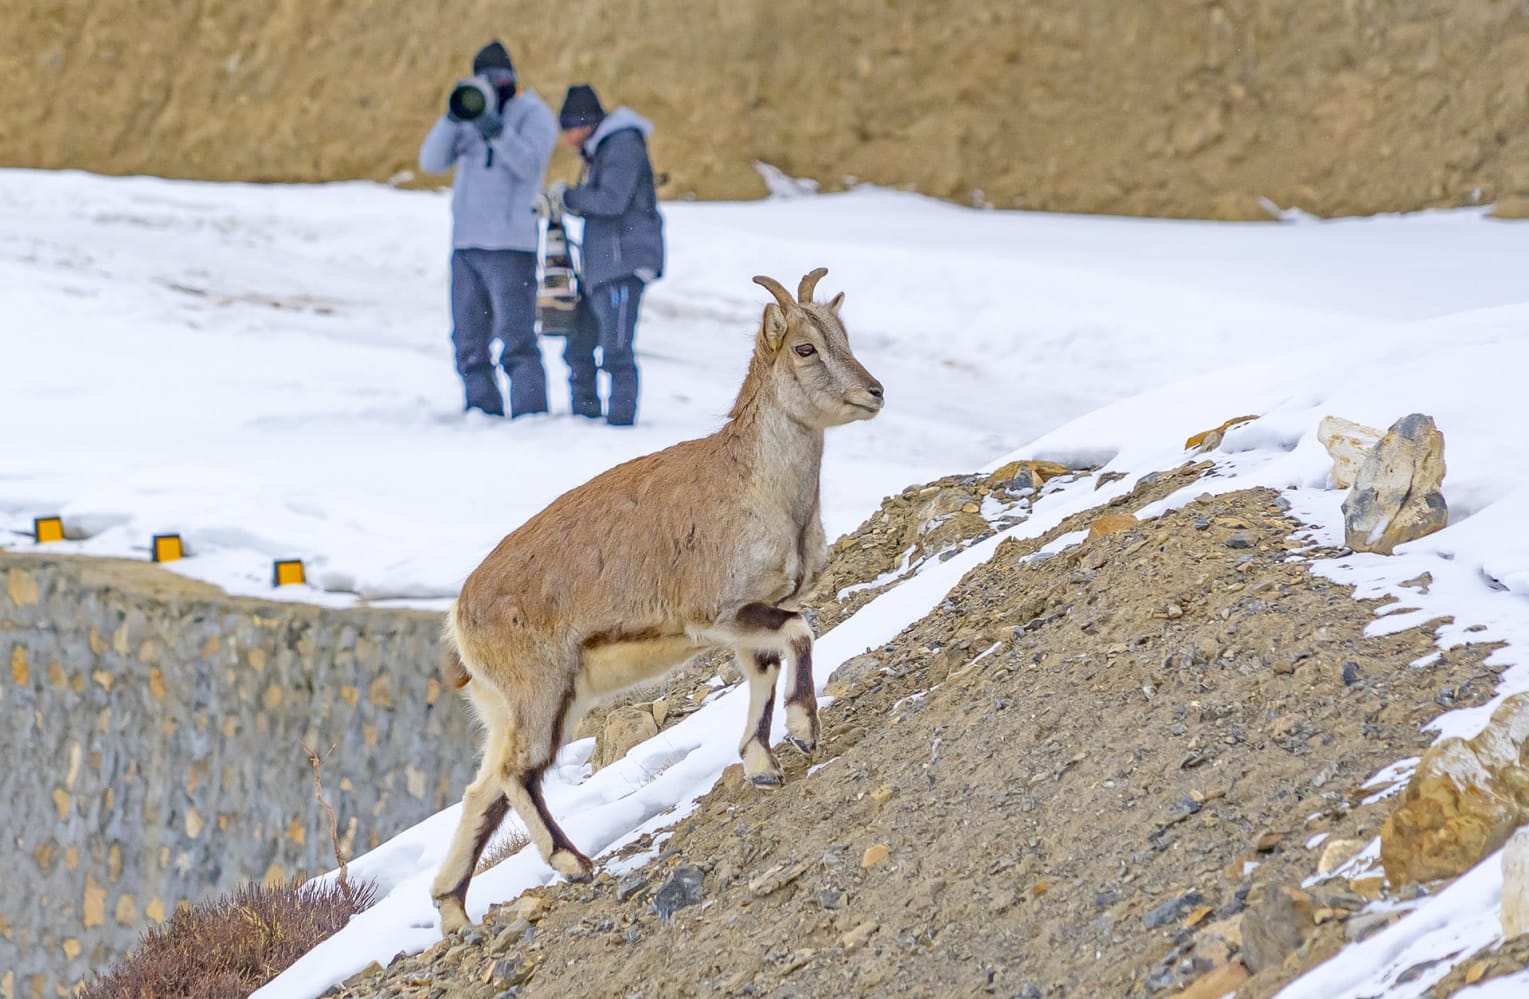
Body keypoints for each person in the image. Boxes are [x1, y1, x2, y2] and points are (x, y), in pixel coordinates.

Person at [419, 41, 557, 418]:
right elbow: (430, 162)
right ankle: (482, 414)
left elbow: (529, 166)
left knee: (516, 340)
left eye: (498, 79)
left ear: (512, 79)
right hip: (466, 245)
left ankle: (532, 418)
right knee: (468, 341)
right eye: (484, 80)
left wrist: (495, 129)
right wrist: (453, 116)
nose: (491, 87)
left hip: (512, 247)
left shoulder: (534, 114)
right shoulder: (465, 115)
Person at [554, 84, 664, 426]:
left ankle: (620, 427)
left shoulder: (621, 145)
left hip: (622, 265)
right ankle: (584, 421)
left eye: (569, 129)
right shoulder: (603, 149)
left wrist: (569, 198)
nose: (567, 139)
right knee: (578, 348)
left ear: (584, 123)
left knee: (616, 352)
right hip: (601, 267)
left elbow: (611, 201)